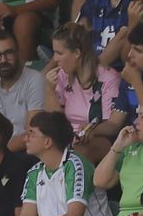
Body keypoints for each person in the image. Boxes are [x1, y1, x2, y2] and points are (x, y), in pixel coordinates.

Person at [45, 23, 123, 162]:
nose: (55, 59)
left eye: (59, 53)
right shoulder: (62, 75)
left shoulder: (108, 78)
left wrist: (91, 130)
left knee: (74, 153)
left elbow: (112, 126)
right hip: (67, 139)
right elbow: (55, 120)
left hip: (99, 141)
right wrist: (50, 90)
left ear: (77, 53)